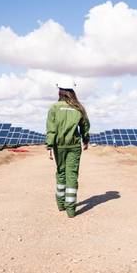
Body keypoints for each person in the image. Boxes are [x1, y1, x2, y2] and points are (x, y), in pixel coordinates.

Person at [46, 80, 90, 218]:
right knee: (72, 175)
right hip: (74, 146)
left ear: (60, 91)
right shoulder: (79, 108)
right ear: (72, 92)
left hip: (59, 145)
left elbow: (51, 129)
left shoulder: (54, 108)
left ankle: (61, 204)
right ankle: (71, 210)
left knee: (61, 173)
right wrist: (86, 140)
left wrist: (49, 146)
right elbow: (85, 126)